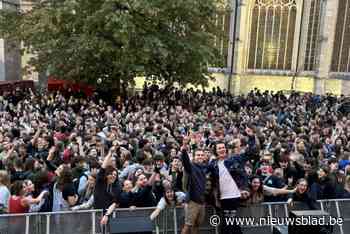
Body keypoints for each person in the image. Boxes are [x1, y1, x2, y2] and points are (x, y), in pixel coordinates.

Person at [180, 141, 207, 234]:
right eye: (198, 155)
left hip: (202, 202)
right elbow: (185, 161)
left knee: (196, 225)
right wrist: (184, 147)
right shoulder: (191, 166)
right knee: (188, 226)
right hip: (192, 201)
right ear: (194, 157)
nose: (200, 156)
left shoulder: (205, 167)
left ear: (204, 157)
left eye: (201, 155)